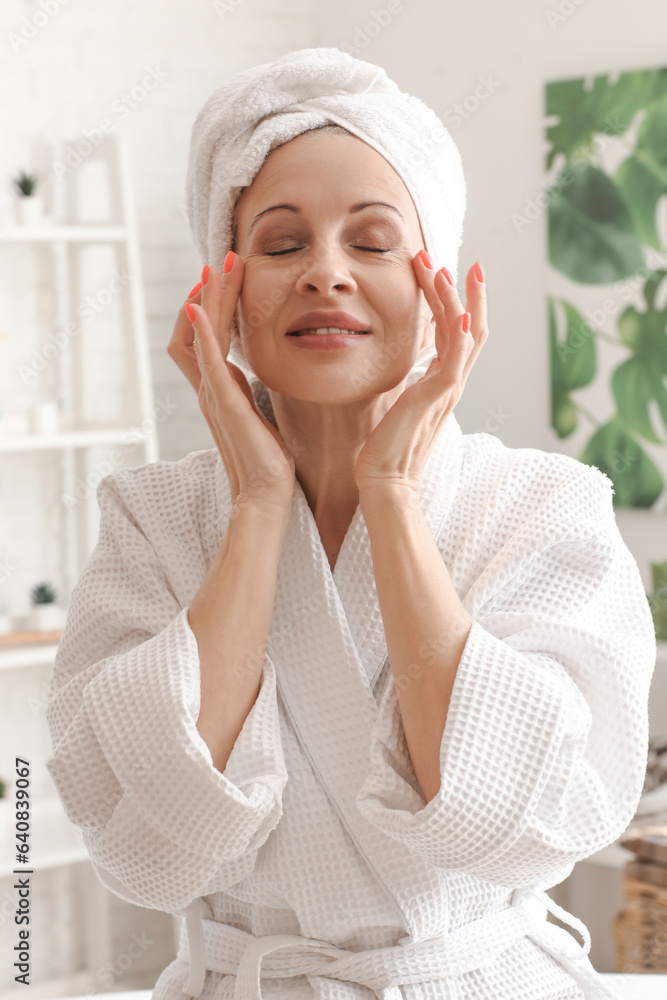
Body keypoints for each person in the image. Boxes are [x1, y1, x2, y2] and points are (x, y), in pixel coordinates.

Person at [45, 48, 656, 1000]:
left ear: (438, 292)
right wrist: (255, 504)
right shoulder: (154, 520)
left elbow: (530, 818)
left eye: (372, 243)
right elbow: (144, 840)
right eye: (282, 245)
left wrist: (393, 495)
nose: (326, 272)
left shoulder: (544, 507)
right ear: (223, 299)